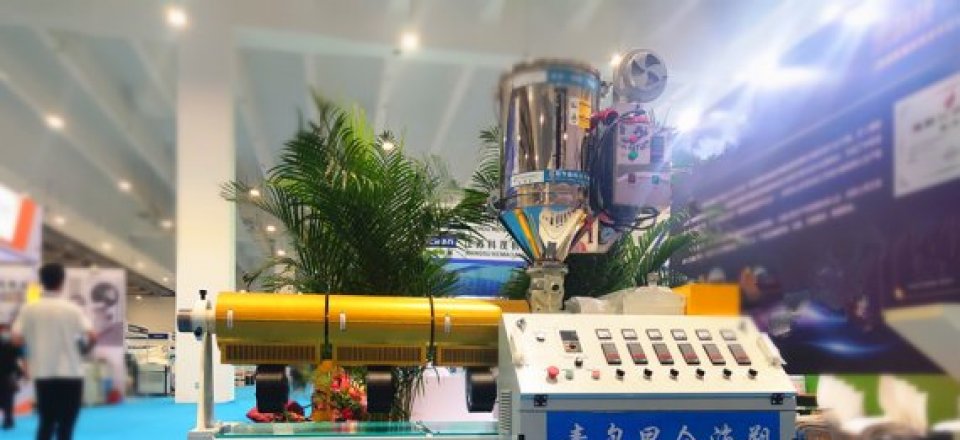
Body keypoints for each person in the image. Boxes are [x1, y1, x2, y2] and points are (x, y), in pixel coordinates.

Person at [12, 263, 96, 440]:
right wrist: (83, 351)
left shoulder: (29, 309)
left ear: (41, 282)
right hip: (71, 373)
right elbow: (92, 336)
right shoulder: (72, 309)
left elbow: (16, 339)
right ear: (62, 281)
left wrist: (33, 347)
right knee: (66, 426)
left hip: (43, 373)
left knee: (46, 423)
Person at [0, 322, 23, 429]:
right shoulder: (12, 345)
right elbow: (18, 358)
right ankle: (8, 419)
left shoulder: (12, 345)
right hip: (8, 374)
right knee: (8, 399)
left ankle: (8, 419)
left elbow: (17, 358)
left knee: (7, 398)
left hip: (7, 375)